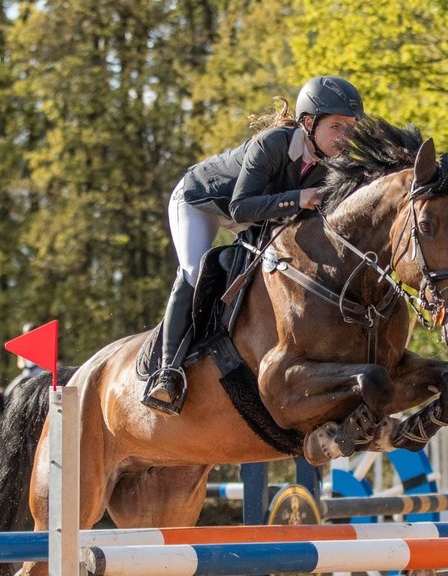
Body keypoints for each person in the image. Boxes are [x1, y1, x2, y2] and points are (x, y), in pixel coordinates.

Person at [142, 75, 366, 415]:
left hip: (257, 215)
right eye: (336, 126)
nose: (345, 137)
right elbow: (239, 207)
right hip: (203, 202)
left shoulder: (331, 166)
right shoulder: (273, 144)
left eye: (351, 127)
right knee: (192, 271)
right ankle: (167, 371)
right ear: (309, 123)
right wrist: (298, 197)